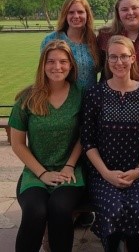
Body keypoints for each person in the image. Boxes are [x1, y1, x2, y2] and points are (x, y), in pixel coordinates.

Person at [81, 35, 139, 252]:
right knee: (113, 208)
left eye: (124, 56)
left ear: (133, 58)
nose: (119, 62)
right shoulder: (95, 94)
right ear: (107, 60)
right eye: (113, 57)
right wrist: (105, 173)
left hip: (137, 171)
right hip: (103, 172)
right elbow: (87, 141)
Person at [9, 40, 85, 252]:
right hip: (35, 172)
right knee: (35, 211)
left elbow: (83, 136)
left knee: (60, 209)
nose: (57, 67)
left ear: (71, 65)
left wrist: (69, 166)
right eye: (51, 61)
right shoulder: (28, 97)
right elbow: (17, 143)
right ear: (43, 64)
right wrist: (42, 173)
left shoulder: (81, 95)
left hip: (70, 171)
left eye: (63, 61)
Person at [41, 0, 100, 90]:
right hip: (63, 98)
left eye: (80, 12)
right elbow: (44, 72)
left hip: (91, 99)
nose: (76, 16)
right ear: (65, 15)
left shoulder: (94, 41)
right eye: (71, 12)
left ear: (87, 14)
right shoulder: (50, 40)